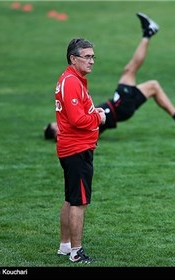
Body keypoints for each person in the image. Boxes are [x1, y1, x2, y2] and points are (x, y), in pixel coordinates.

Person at [44, 12, 175, 141]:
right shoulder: (74, 131)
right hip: (119, 107)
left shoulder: (71, 124)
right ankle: (148, 33)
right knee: (130, 70)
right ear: (57, 134)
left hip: (119, 106)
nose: (58, 124)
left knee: (153, 86)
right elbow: (83, 125)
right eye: (55, 127)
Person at [55, 37, 106, 264]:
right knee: (79, 202)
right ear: (73, 59)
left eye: (93, 56)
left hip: (74, 148)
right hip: (76, 148)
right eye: (87, 57)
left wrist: (93, 111)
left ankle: (65, 246)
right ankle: (76, 252)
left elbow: (79, 111)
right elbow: (77, 120)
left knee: (71, 198)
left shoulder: (75, 79)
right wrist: (99, 117)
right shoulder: (72, 81)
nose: (92, 61)